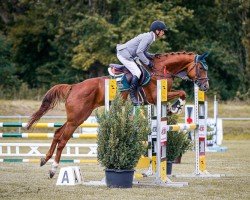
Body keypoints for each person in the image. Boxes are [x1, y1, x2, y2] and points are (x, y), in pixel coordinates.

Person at [116, 20, 168, 105]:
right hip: (124, 54)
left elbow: (144, 52)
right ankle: (132, 96)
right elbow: (139, 52)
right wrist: (148, 63)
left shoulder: (150, 37)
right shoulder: (148, 37)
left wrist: (153, 56)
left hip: (130, 54)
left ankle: (139, 92)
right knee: (137, 72)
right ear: (157, 31)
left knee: (141, 70)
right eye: (162, 31)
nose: (163, 33)